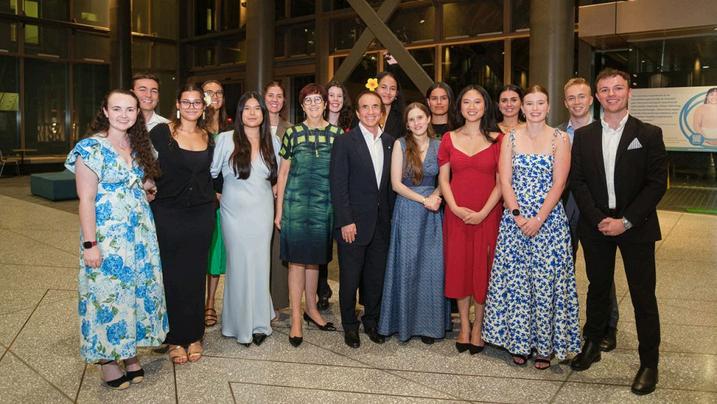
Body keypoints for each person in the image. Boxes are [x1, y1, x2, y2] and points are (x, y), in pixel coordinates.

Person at [570, 68, 667, 395]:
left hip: (636, 226)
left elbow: (656, 184)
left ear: (628, 93)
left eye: (618, 88)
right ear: (597, 96)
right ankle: (592, 344)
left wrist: (625, 221)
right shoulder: (585, 136)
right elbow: (578, 182)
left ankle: (649, 363)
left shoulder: (649, 134)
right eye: (605, 89)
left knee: (643, 295)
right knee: (597, 287)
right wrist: (599, 218)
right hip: (596, 224)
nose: (611, 94)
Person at [66, 89, 168, 389]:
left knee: (134, 294)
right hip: (107, 237)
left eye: (130, 109)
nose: (124, 114)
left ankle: (129, 354)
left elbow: (146, 182)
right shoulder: (90, 148)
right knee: (106, 295)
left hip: (140, 236)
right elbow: (86, 200)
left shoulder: (139, 145)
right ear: (106, 111)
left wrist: (147, 188)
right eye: (117, 108)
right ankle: (108, 361)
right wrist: (90, 245)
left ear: (137, 113)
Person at [482, 85, 581, 370]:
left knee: (545, 283)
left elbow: (559, 184)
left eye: (540, 103)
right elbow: (505, 180)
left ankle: (545, 347)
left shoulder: (560, 138)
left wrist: (538, 219)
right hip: (515, 221)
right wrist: (517, 215)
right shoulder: (510, 138)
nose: (535, 108)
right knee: (517, 284)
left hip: (549, 222)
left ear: (548, 107)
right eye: (530, 103)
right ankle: (519, 343)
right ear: (523, 108)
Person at [150, 83, 215, 364]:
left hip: (201, 214)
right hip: (168, 212)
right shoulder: (161, 133)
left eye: (196, 102)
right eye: (186, 102)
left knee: (195, 274)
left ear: (203, 106)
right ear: (177, 104)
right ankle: (175, 337)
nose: (191, 107)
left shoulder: (209, 137)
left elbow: (215, 175)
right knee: (172, 275)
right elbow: (142, 163)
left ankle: (194, 334)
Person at [275, 83, 343, 347]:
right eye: (308, 101)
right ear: (302, 106)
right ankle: (295, 318)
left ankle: (312, 309)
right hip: (295, 204)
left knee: (315, 261)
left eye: (318, 100)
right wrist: (279, 210)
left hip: (324, 205)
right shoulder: (292, 133)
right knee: (296, 262)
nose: (313, 104)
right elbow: (283, 173)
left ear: (325, 104)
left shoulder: (338, 134)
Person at [438, 85, 503, 355]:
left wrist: (483, 212)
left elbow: (502, 182)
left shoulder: (499, 140)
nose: (472, 107)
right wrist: (453, 206)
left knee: (484, 269)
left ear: (485, 106)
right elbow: (444, 179)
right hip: (457, 215)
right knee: (460, 268)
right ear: (460, 107)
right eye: (467, 102)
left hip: (488, 214)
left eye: (477, 102)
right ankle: (464, 326)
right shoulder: (449, 138)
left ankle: (479, 327)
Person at [212, 91, 280, 347]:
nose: (252, 113)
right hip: (233, 213)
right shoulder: (225, 139)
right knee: (239, 265)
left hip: (262, 211)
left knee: (260, 264)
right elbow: (212, 173)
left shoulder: (273, 140)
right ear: (239, 113)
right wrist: (217, 195)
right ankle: (237, 324)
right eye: (247, 108)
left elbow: (278, 176)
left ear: (263, 113)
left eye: (257, 108)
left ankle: (260, 322)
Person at [378, 102, 450, 344]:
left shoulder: (440, 145)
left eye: (420, 117)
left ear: (428, 119)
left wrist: (436, 196)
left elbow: (445, 180)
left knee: (431, 267)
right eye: (412, 119)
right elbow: (396, 184)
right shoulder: (400, 145)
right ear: (407, 124)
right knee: (407, 265)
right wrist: (424, 200)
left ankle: (429, 325)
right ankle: (403, 323)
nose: (417, 123)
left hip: (432, 211)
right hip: (408, 208)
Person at [558, 77, 620, 351]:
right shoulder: (556, 133)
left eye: (581, 96)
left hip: (596, 208)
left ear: (591, 99)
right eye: (571, 97)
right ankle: (563, 323)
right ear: (565, 102)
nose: (577, 102)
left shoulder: (606, 130)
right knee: (562, 268)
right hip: (563, 206)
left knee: (601, 271)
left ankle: (607, 325)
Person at [330, 90, 394, 348]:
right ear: (357, 112)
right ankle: (349, 326)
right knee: (350, 278)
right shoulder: (345, 142)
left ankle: (371, 321)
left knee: (375, 277)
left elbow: (389, 186)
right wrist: (345, 220)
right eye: (365, 107)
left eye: (375, 107)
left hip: (381, 223)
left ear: (382, 111)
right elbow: (338, 184)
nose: (370, 111)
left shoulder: (390, 142)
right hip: (353, 224)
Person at [202, 79, 233, 328]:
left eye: (219, 92)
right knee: (197, 253)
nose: (215, 96)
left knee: (215, 254)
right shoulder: (194, 127)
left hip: (225, 200)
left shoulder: (230, 128)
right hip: (200, 198)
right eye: (209, 92)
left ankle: (210, 302)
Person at [264, 80, 291, 316]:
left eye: (279, 96)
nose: (275, 100)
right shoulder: (254, 124)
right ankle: (258, 300)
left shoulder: (290, 129)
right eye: (271, 95)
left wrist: (278, 184)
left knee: (277, 248)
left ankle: (278, 301)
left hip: (281, 193)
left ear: (284, 101)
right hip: (256, 193)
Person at [376, 71, 405, 138]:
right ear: (375, 89)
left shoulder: (402, 118)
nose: (388, 92)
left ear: (397, 93)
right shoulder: (363, 114)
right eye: (383, 87)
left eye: (392, 89)